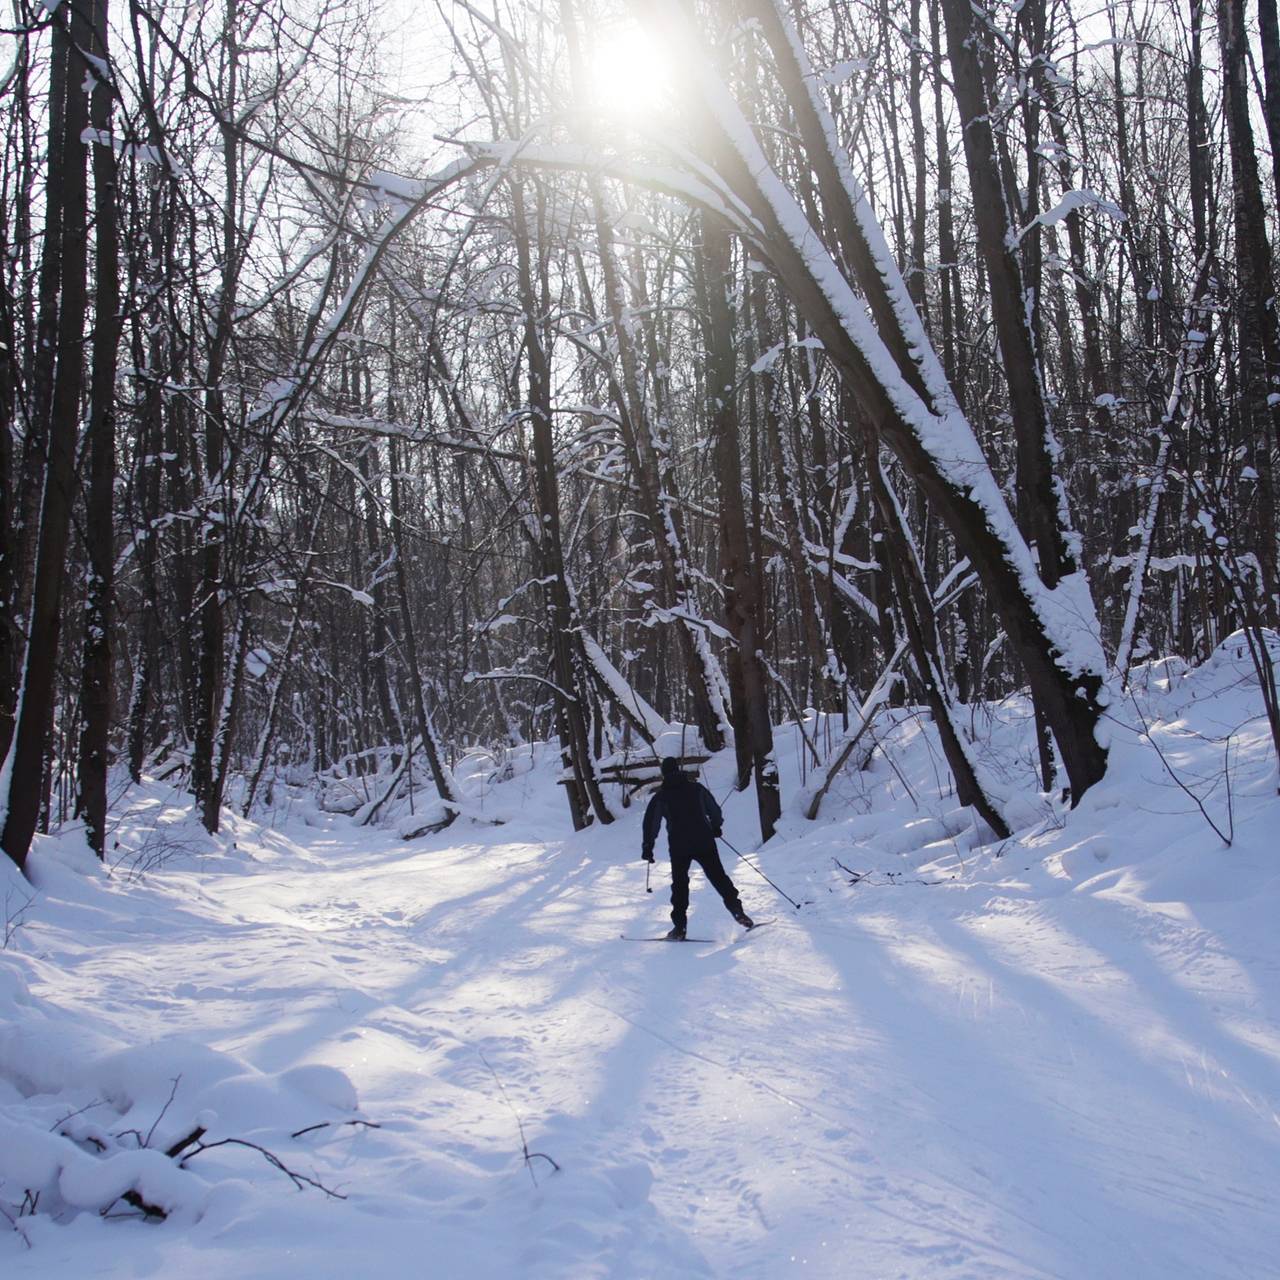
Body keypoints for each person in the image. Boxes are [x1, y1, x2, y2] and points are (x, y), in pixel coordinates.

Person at [641, 757, 753, 940]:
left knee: (680, 885)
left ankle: (679, 928)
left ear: (664, 774)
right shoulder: (696, 789)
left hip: (679, 846)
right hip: (704, 840)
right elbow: (714, 810)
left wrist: (648, 846)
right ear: (679, 770)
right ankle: (737, 911)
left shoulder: (661, 796)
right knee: (719, 878)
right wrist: (716, 826)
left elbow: (651, 823)